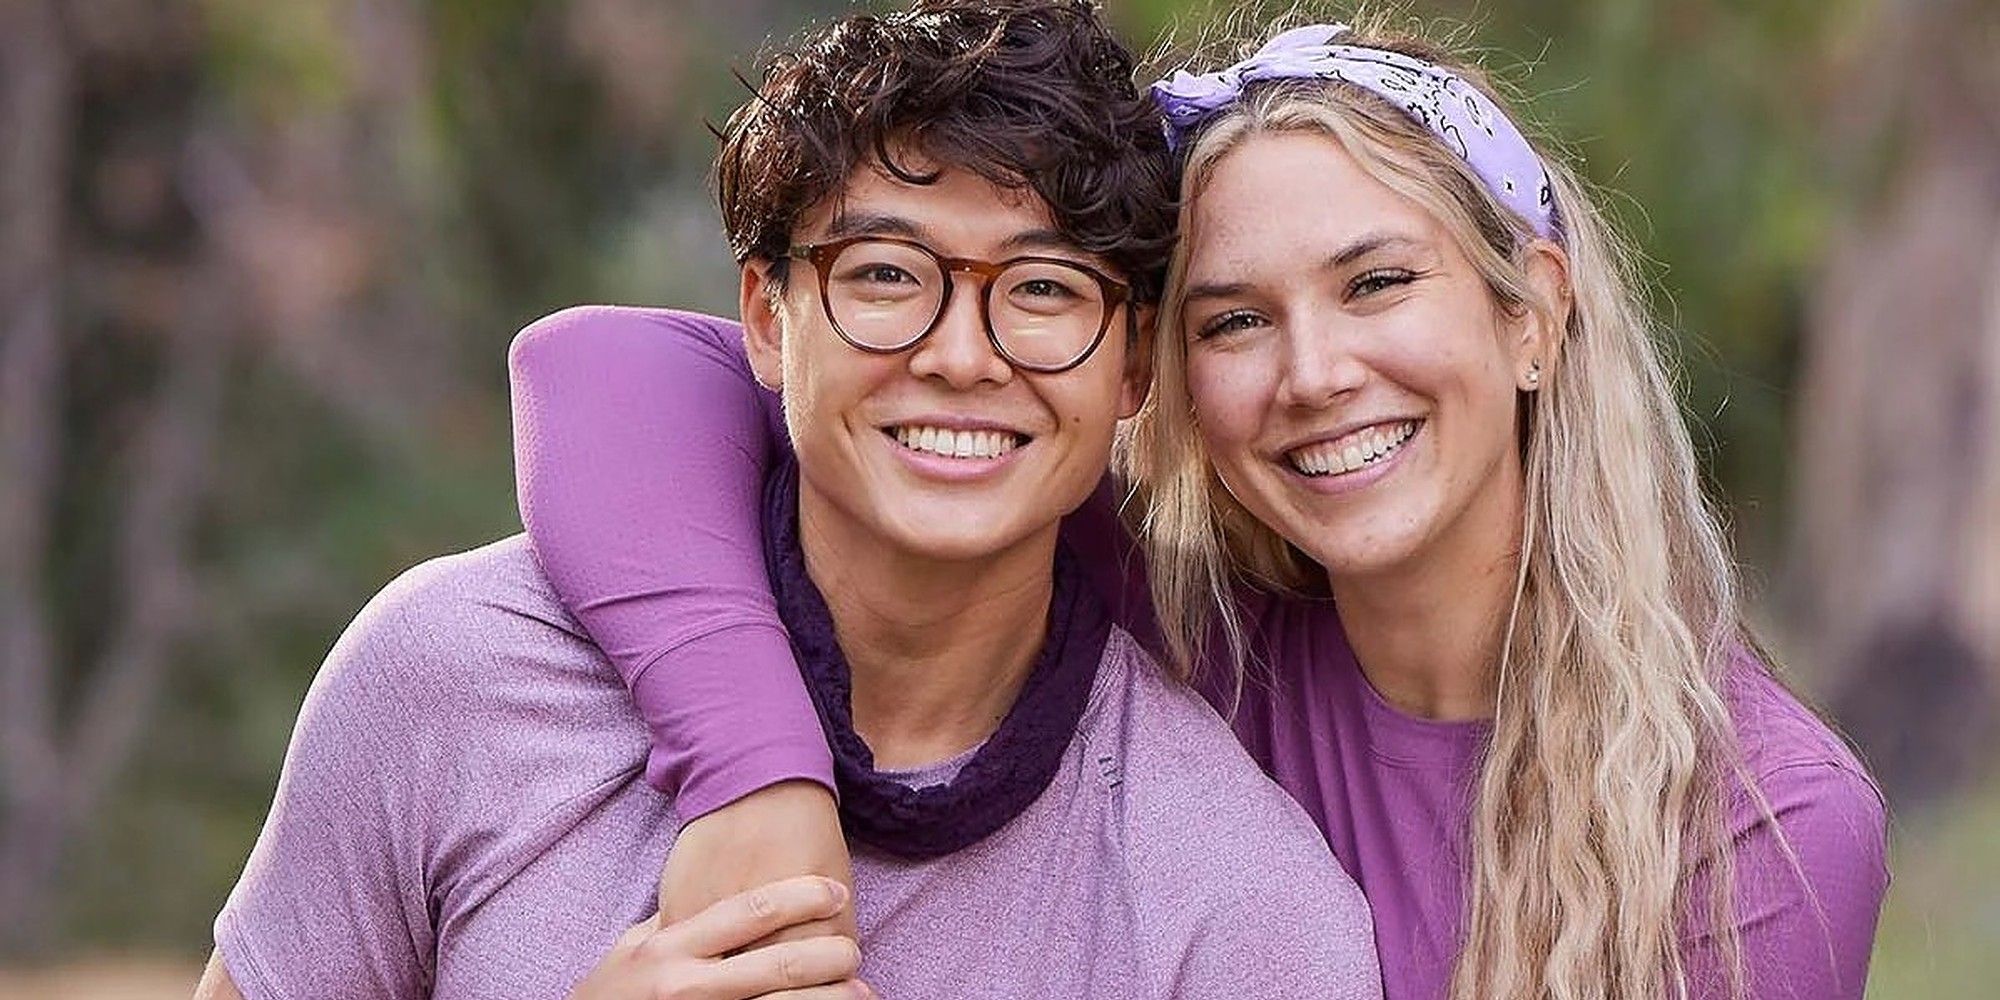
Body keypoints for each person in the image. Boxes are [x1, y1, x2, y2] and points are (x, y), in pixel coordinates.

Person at [505, 12, 1891, 1000]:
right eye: (1235, 320)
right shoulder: (1181, 615)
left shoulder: (1756, 826)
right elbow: (609, 376)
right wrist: (763, 792)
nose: (1315, 375)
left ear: (1533, 316)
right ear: (1159, 370)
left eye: (1376, 284)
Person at [194, 4, 1382, 999]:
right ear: (767, 316)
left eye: (1043, 288)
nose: (961, 355)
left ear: (1130, 363)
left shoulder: (1239, 914)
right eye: (882, 273)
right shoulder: (452, 679)